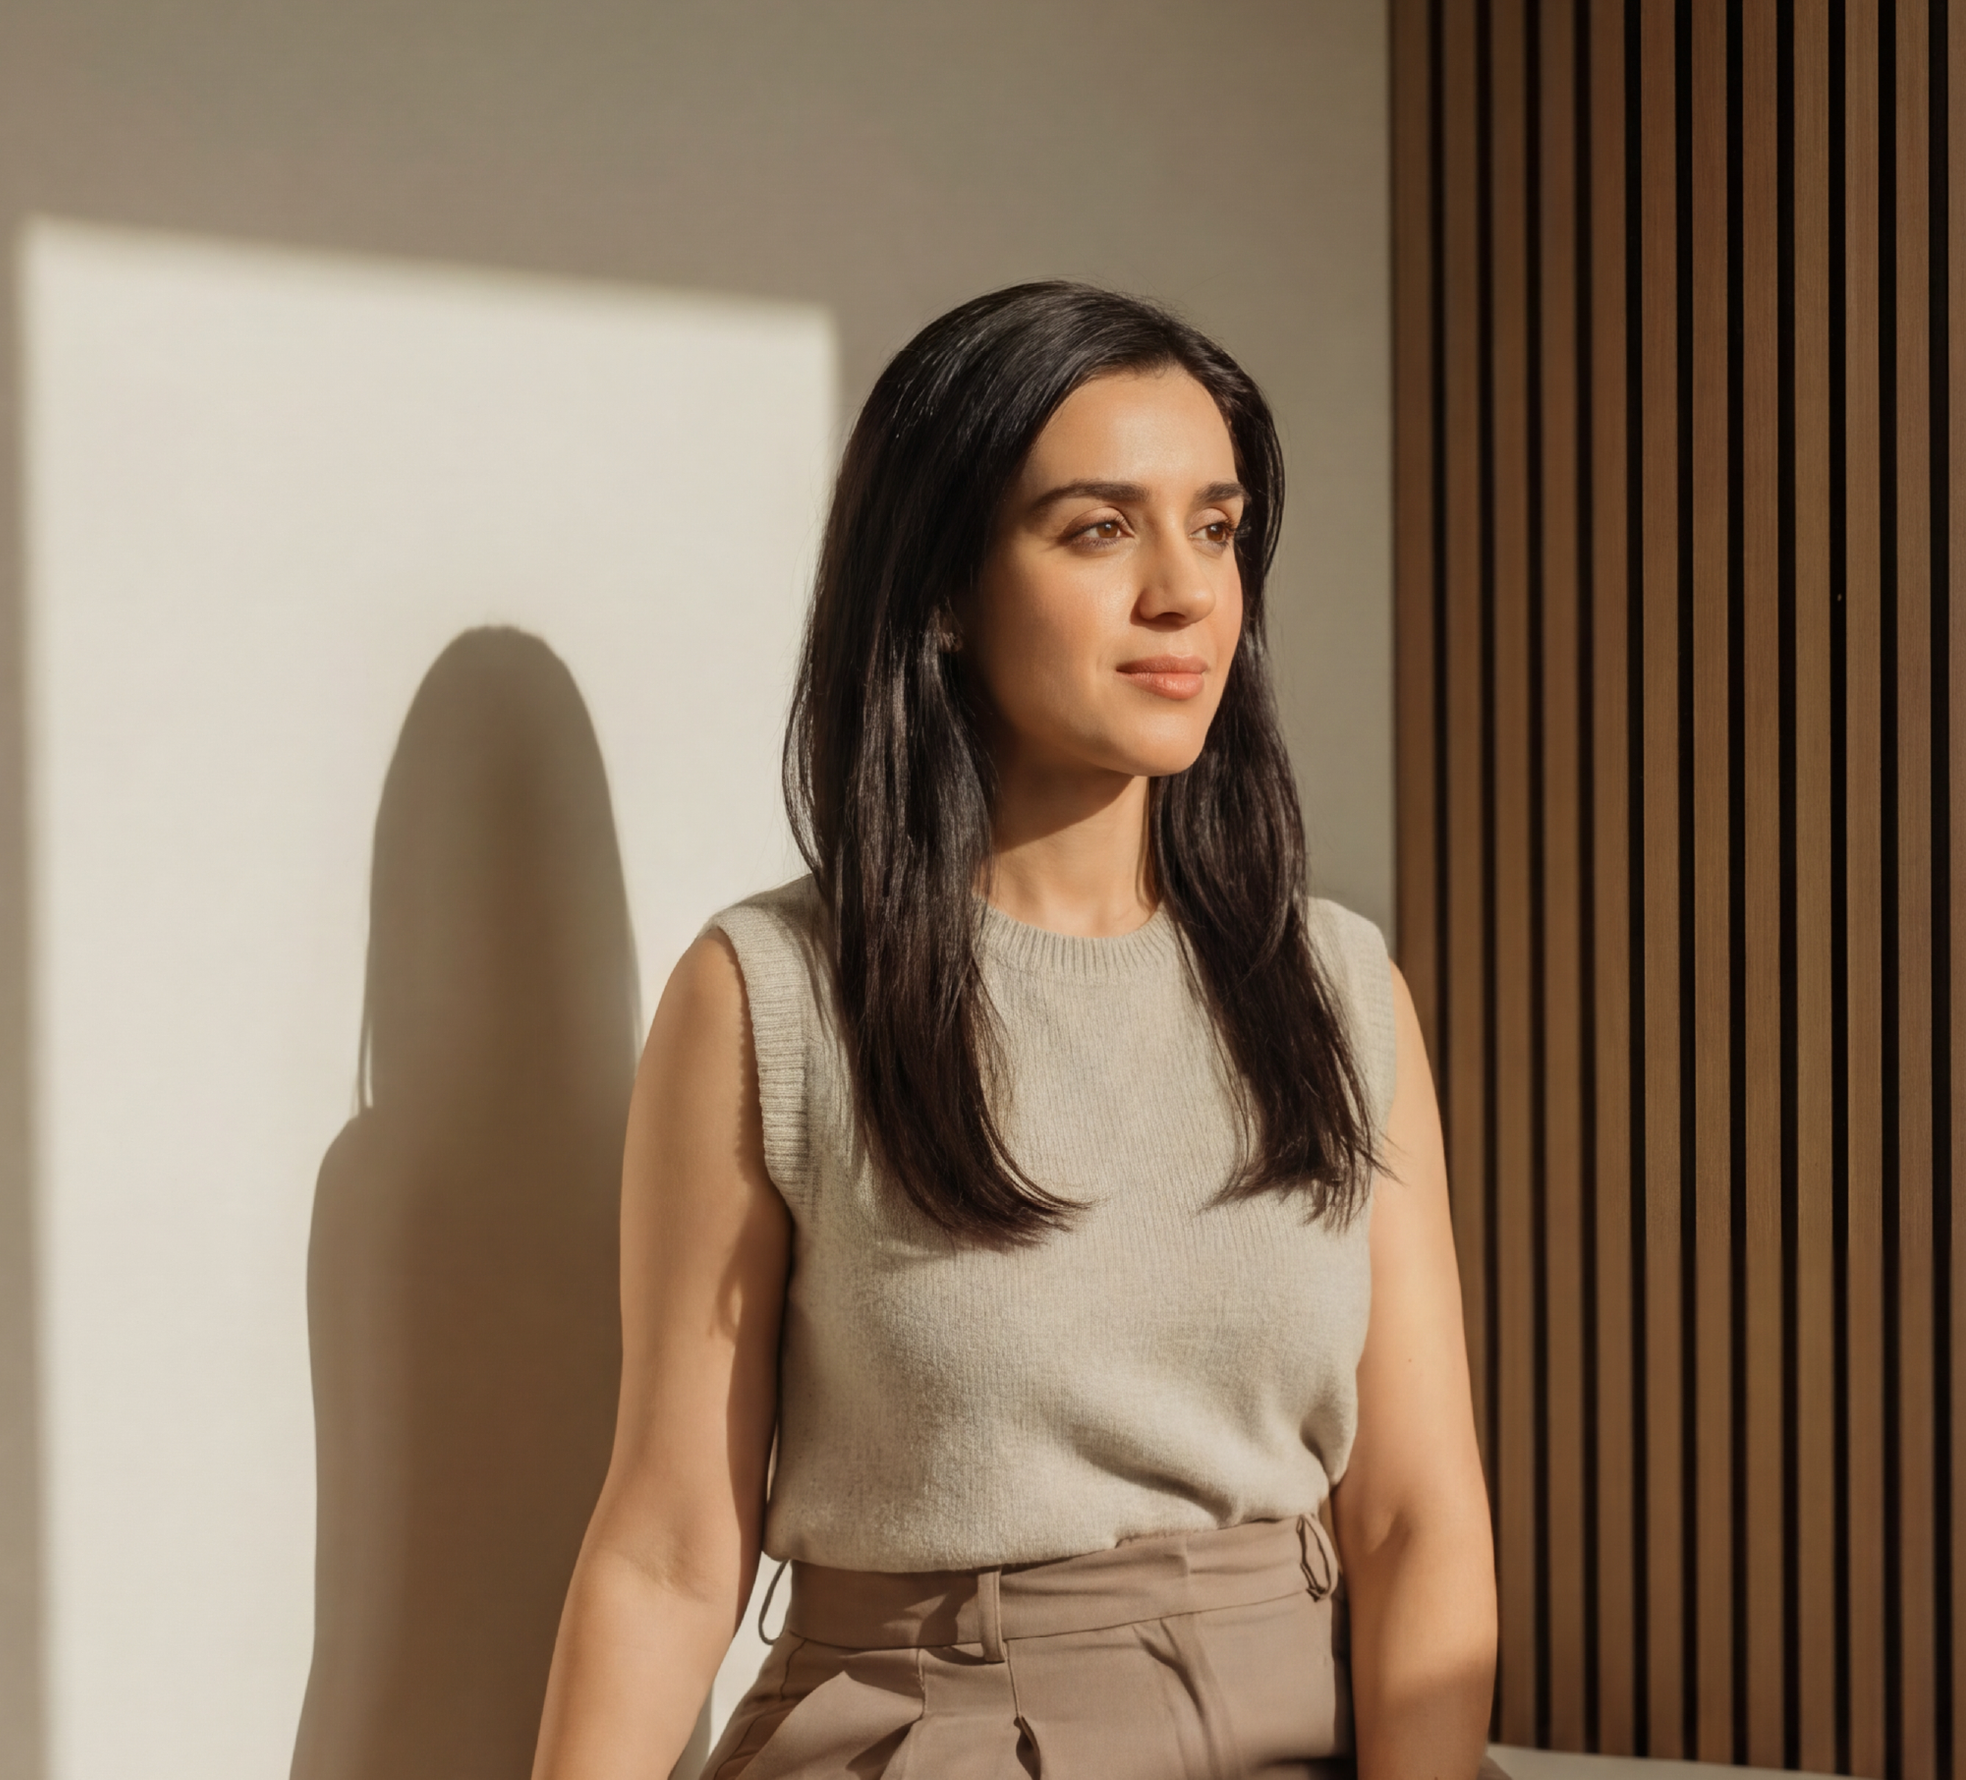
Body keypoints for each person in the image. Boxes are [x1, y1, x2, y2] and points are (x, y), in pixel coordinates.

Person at [529, 282, 1500, 1778]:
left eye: (1218, 525)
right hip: (937, 1734)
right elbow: (667, 1548)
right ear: (939, 590)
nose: (1184, 589)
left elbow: (1417, 1518)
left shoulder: (1338, 985)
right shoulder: (773, 993)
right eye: (1099, 527)